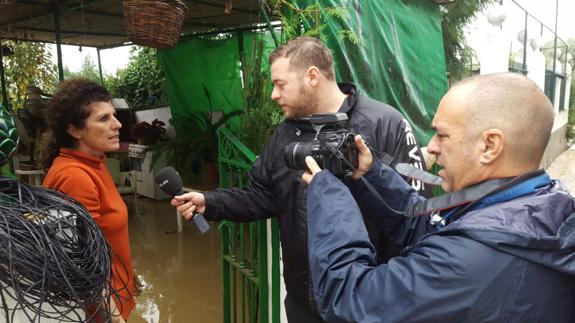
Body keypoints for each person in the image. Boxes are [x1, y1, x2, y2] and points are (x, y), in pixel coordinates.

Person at [172, 36, 430, 321]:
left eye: (280, 84)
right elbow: (263, 197)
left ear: (312, 76)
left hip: (366, 305)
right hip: (302, 304)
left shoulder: (385, 123)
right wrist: (210, 202)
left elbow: (414, 219)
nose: (273, 94)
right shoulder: (285, 133)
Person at [302, 72, 575, 322]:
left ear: (490, 146)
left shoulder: (471, 262)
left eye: (442, 134)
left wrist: (328, 194)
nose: (431, 146)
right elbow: (429, 227)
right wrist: (370, 174)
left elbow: (350, 300)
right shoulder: (535, 206)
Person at [39, 78, 141, 323]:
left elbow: (102, 236)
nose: (117, 125)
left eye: (114, 116)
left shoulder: (94, 164)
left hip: (116, 292)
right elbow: (81, 264)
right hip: (101, 311)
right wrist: (115, 319)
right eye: (103, 119)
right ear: (75, 130)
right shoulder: (75, 177)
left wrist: (127, 269)